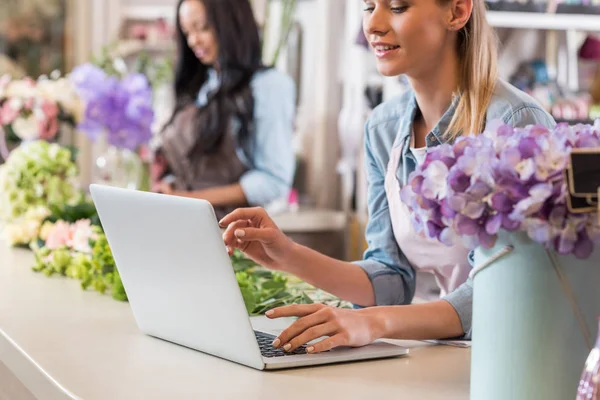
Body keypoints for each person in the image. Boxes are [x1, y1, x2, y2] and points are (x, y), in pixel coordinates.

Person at [221, 0, 556, 354]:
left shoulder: (515, 124)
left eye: (397, 7)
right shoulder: (383, 128)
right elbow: (391, 276)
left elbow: (497, 292)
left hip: (522, 356)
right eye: (368, 7)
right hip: (456, 357)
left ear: (457, 11)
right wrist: (286, 254)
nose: (373, 25)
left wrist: (374, 322)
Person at [152, 0, 296, 220]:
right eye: (187, 32)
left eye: (203, 28)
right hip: (184, 222)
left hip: (231, 235)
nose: (193, 41)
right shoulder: (204, 84)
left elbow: (273, 181)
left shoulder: (268, 86)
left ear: (232, 23)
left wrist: (189, 199)